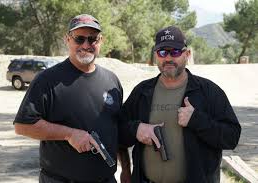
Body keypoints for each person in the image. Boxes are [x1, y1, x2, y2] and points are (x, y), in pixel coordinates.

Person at [14, 14, 130, 183]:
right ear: (67, 40)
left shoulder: (112, 81)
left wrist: (126, 170)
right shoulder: (46, 80)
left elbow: (118, 129)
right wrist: (69, 134)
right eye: (79, 39)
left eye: (92, 39)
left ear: (101, 41)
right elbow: (23, 125)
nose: (86, 45)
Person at [119, 26, 241, 183]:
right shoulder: (143, 91)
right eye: (162, 52)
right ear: (156, 55)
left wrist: (197, 120)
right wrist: (136, 129)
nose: (168, 58)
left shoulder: (208, 91)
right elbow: (118, 130)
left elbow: (232, 137)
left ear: (187, 54)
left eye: (175, 52)